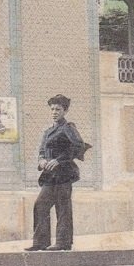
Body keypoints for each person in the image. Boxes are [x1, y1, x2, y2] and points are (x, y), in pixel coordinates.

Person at [25, 95, 90, 252]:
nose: (54, 112)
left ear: (65, 111)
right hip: (49, 176)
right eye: (52, 109)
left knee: (63, 208)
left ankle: (63, 242)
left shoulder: (68, 128)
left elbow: (79, 146)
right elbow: (42, 151)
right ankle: (41, 242)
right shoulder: (47, 132)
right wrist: (41, 161)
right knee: (40, 205)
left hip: (64, 174)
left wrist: (59, 160)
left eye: (58, 109)